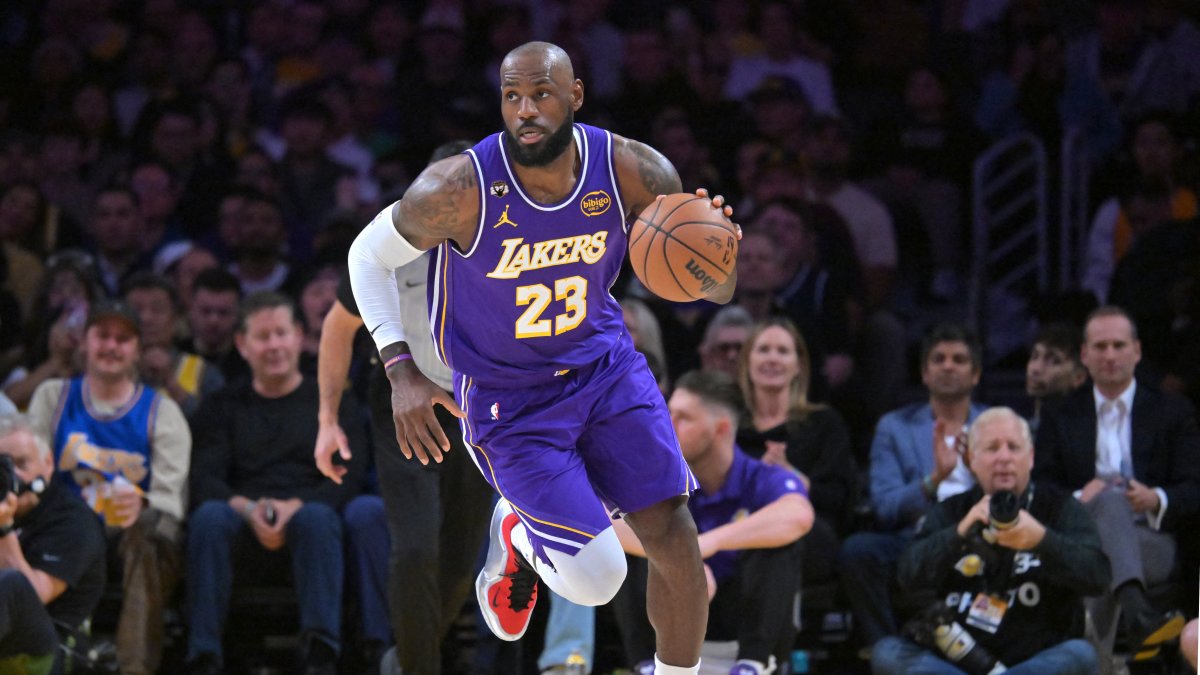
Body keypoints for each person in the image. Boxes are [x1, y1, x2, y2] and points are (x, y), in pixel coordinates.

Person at [347, 41, 740, 675]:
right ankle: (519, 531)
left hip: (606, 370)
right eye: (511, 96)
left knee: (675, 538)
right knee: (599, 581)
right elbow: (366, 257)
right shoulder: (458, 188)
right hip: (510, 398)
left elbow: (715, 289)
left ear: (576, 96)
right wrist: (400, 370)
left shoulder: (634, 170)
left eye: (541, 94)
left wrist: (720, 252)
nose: (525, 109)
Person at [315, 140, 492, 675]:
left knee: (463, 563)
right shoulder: (390, 239)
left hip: (480, 406)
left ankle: (404, 657)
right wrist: (326, 420)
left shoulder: (510, 242)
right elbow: (337, 327)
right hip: (407, 398)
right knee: (416, 549)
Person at [186, 292, 367, 675]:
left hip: (313, 524)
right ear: (242, 344)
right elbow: (204, 478)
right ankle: (204, 655)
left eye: (281, 333)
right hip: (242, 525)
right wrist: (248, 509)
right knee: (208, 517)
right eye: (262, 336)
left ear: (300, 336)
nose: (274, 346)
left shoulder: (335, 402)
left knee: (317, 518)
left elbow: (349, 479)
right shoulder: (222, 405)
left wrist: (294, 508)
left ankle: (321, 656)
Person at [873, 407, 1110, 674]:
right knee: (888, 653)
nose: (1004, 458)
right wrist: (958, 534)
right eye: (992, 448)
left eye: (1013, 447)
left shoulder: (1059, 507)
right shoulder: (952, 512)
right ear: (972, 459)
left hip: (1036, 658)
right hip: (959, 663)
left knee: (1080, 655)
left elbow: (1098, 576)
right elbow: (906, 577)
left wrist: (1043, 541)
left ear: (1030, 457)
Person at [26, 300, 190, 675]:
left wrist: (142, 502)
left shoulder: (162, 412)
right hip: (63, 527)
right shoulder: (53, 396)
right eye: (103, 336)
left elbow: (170, 501)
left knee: (151, 532)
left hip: (128, 534)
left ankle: (135, 668)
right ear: (84, 340)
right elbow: (28, 473)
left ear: (137, 349)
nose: (112, 347)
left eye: (123, 339)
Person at [613, 370, 812, 675]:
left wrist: (707, 543)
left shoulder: (759, 477)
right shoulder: (656, 476)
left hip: (738, 618)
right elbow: (605, 524)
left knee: (781, 544)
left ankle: (753, 663)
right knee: (630, 539)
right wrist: (682, 560)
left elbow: (798, 515)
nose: (668, 426)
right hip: (669, 616)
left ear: (720, 429)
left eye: (683, 418)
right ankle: (644, 665)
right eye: (668, 414)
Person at [1034, 306, 1196, 661]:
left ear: (1137, 351)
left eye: (1118, 345)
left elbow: (1194, 487)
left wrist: (1156, 498)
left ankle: (1094, 664)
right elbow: (1040, 487)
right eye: (1101, 346)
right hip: (1082, 538)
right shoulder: (1060, 413)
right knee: (1105, 510)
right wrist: (1079, 497)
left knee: (1099, 554)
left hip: (1152, 541)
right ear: (1084, 355)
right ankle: (1138, 613)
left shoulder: (1173, 411)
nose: (1109, 355)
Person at [838, 323, 987, 652]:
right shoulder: (895, 427)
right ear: (924, 373)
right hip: (915, 539)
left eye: (959, 359)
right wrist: (935, 479)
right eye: (939, 359)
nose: (948, 365)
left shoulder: (996, 423)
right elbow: (885, 507)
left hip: (983, 537)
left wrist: (981, 476)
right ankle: (888, 651)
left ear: (975, 374)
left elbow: (1020, 495)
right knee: (859, 551)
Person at [734, 318, 857, 584]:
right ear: (747, 362)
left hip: (808, 532)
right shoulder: (730, 426)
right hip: (737, 526)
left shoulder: (824, 424)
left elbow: (841, 497)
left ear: (799, 366)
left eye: (783, 351)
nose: (773, 359)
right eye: (764, 349)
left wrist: (792, 480)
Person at [0, 413, 106, 675]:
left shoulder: (74, 520)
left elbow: (32, 597)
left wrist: (3, 528)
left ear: (48, 464)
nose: (13, 476)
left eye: (21, 463)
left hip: (49, 654)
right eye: (2, 467)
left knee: (12, 584)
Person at [123, 272, 225, 419]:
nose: (146, 318)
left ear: (176, 319)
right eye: (136, 310)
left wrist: (170, 382)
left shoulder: (205, 374)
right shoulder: (106, 368)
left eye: (157, 310)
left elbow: (213, 427)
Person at [1025, 322, 1087, 434]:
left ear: (1079, 377)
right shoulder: (1019, 430)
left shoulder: (1083, 434)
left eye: (1054, 361)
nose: (1036, 369)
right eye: (1034, 356)